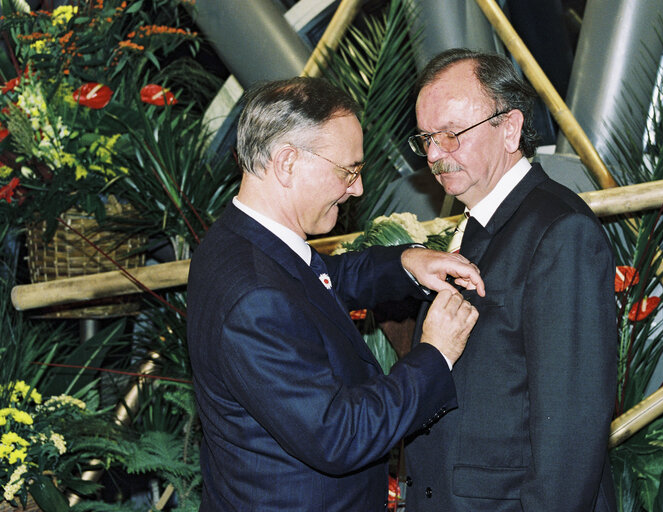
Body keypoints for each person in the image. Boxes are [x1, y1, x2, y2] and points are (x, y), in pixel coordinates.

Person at [186, 77, 484, 511]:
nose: (357, 188)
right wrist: (435, 353)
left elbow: (318, 280)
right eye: (348, 170)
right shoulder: (253, 296)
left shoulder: (239, 240)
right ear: (287, 163)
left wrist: (405, 262)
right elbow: (340, 435)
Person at [404, 49, 617, 511]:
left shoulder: (560, 230)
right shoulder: (479, 223)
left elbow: (571, 430)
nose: (436, 155)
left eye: (451, 135)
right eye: (426, 139)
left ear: (511, 128)